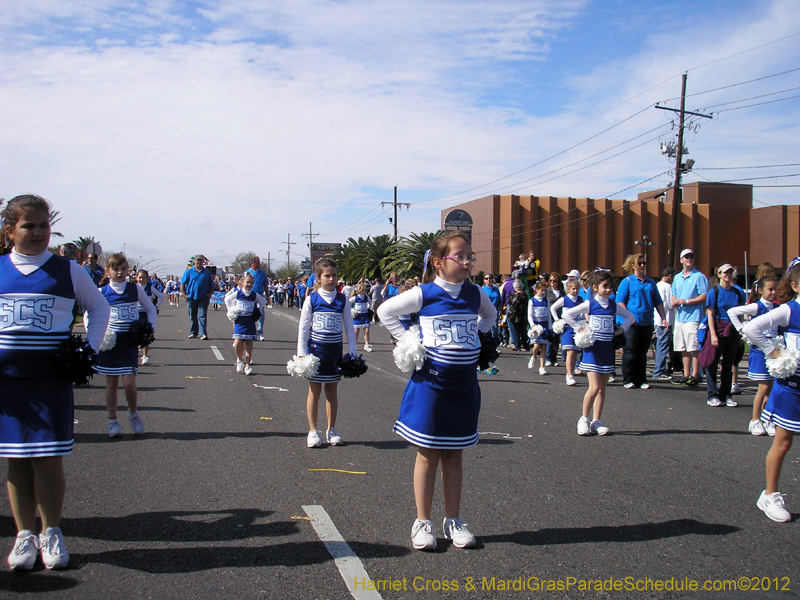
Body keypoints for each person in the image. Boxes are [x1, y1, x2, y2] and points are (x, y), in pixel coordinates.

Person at [1, 195, 110, 570]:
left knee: (48, 458)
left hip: (50, 379)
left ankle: (51, 531)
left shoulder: (68, 270)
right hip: (8, 383)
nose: (37, 232)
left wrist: (89, 350)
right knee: (16, 459)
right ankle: (23, 535)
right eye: (28, 225)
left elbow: (98, 307)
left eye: (43, 225)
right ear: (10, 230)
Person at [377, 231, 496, 551]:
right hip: (431, 387)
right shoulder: (425, 293)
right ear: (440, 262)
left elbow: (490, 316)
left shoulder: (476, 294)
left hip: (464, 387)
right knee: (428, 454)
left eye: (471, 255)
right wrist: (410, 341)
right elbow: (385, 311)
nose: (468, 261)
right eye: (461, 256)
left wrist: (479, 339)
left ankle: (454, 521)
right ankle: (423, 522)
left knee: (454, 455)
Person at [741, 264, 800, 522]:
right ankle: (770, 494)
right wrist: (775, 352)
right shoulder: (790, 310)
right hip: (792, 389)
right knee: (783, 442)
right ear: (796, 286)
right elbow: (751, 328)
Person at [563, 269, 634, 436]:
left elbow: (631, 317)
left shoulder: (613, 305)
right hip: (592, 351)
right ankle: (583, 419)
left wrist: (621, 330)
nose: (608, 289)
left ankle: (596, 421)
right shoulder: (590, 304)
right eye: (604, 286)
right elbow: (567, 314)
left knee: (602, 389)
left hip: (607, 351)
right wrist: (579, 328)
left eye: (610, 286)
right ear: (595, 287)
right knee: (594, 388)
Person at [94, 254, 157, 437]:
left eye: (123, 268)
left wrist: (149, 329)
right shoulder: (102, 292)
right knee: (111, 383)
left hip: (129, 342)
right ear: (108, 271)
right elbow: (90, 312)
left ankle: (133, 413)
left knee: (129, 383)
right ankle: (113, 421)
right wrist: (96, 334)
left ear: (128, 270)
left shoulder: (134, 289)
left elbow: (150, 308)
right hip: (110, 344)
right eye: (115, 269)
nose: (120, 272)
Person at [297, 258, 357, 448]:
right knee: (314, 391)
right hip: (316, 352)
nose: (331, 279)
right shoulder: (311, 299)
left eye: (334, 275)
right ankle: (313, 431)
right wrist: (301, 354)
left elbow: (349, 327)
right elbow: (303, 328)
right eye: (327, 276)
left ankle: (331, 429)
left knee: (332, 391)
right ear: (318, 277)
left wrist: (353, 353)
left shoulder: (342, 300)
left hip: (334, 352)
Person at [729, 276, 778, 435]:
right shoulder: (757, 307)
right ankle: (755, 420)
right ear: (760, 290)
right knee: (763, 387)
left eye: (775, 289)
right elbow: (732, 312)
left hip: (774, 352)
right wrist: (742, 330)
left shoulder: (778, 307)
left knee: (771, 388)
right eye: (770, 289)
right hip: (759, 352)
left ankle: (767, 419)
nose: (773, 292)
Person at [616, 254, 665, 390]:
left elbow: (658, 302)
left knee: (642, 353)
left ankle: (641, 379)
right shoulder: (627, 281)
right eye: (640, 263)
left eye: (644, 263)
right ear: (633, 266)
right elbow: (620, 301)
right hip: (631, 324)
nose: (643, 266)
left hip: (647, 322)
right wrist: (629, 316)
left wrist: (664, 318)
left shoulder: (650, 282)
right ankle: (628, 379)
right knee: (630, 351)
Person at [703, 263, 746, 407]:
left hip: (732, 330)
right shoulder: (714, 292)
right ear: (720, 275)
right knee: (712, 363)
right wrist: (713, 334)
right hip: (718, 327)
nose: (728, 275)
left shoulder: (738, 292)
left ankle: (726, 394)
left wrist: (741, 333)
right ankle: (712, 394)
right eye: (725, 273)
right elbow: (710, 314)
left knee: (728, 364)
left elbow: (740, 313)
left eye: (730, 272)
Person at [671, 249, 708, 388]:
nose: (689, 259)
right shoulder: (677, 277)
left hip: (693, 317)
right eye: (686, 257)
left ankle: (695, 375)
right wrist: (674, 301)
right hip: (680, 317)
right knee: (683, 347)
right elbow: (674, 294)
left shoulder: (699, 276)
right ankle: (686, 374)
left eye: (691, 256)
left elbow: (704, 296)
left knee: (694, 347)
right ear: (681, 260)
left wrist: (686, 301)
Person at [225, 272, 266, 376]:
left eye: (251, 283)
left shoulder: (254, 294)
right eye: (247, 282)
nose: (249, 284)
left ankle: (248, 365)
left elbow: (263, 302)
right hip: (239, 321)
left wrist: (257, 311)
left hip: (249, 321)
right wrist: (231, 310)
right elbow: (227, 299)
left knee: (248, 343)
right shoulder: (238, 293)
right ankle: (239, 360)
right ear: (242, 283)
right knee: (238, 343)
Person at [550, 279, 585, 385]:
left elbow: (583, 311)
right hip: (567, 328)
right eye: (573, 289)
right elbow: (553, 308)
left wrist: (583, 321)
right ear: (568, 289)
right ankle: (569, 375)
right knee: (570, 352)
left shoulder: (581, 299)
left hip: (578, 327)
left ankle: (571, 373)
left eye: (577, 289)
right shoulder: (564, 299)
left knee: (575, 352)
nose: (575, 291)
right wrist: (557, 319)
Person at [135, 269, 165, 366]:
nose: (141, 280)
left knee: (146, 336)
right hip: (135, 314)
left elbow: (161, 296)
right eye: (139, 277)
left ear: (147, 279)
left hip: (146, 314)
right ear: (136, 278)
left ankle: (144, 356)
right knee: (134, 336)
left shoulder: (149, 287)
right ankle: (134, 355)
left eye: (143, 278)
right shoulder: (133, 288)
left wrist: (156, 306)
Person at [180, 255, 214, 340]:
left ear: (203, 262)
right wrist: (184, 295)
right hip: (191, 298)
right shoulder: (188, 272)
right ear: (194, 261)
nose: (199, 262)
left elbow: (212, 285)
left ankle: (203, 333)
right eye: (197, 260)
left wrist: (209, 294)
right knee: (192, 316)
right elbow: (182, 285)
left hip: (203, 298)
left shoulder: (207, 272)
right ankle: (193, 332)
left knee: (202, 316)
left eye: (200, 260)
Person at [652, 268, 675, 380]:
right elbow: (671, 304)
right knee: (663, 346)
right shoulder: (668, 287)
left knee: (659, 344)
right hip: (667, 319)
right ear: (670, 276)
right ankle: (659, 371)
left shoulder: (657, 285)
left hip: (657, 319)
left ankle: (659, 368)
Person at [527, 282, 551, 375]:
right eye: (542, 290)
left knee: (544, 347)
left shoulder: (546, 301)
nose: (543, 292)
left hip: (544, 325)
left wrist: (550, 326)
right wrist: (532, 325)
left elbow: (548, 314)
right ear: (536, 290)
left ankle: (542, 367)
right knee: (536, 346)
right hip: (536, 326)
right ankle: (534, 356)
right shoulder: (532, 301)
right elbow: (529, 315)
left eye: (545, 290)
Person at [245, 257, 268, 339]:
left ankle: (260, 332)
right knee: (249, 313)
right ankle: (251, 332)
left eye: (259, 262)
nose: (259, 264)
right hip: (250, 294)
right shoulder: (247, 272)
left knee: (261, 314)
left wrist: (267, 296)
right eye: (257, 262)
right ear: (252, 263)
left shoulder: (262, 273)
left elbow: (265, 284)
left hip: (259, 294)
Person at [545, 272, 564, 367]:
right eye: (551, 281)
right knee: (550, 338)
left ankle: (554, 358)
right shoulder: (547, 292)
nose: (552, 283)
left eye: (554, 281)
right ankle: (548, 358)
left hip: (559, 317)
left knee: (557, 339)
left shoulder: (562, 292)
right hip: (550, 317)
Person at [349, 283, 373, 352]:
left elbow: (370, 303)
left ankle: (367, 345)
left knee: (367, 330)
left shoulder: (366, 297)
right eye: (364, 290)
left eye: (366, 289)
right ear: (360, 291)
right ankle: (354, 344)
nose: (366, 291)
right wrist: (352, 309)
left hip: (365, 315)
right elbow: (348, 302)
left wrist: (368, 308)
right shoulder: (355, 298)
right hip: (358, 316)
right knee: (356, 331)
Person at [506, 279, 528, 352]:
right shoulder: (525, 295)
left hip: (513, 316)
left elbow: (511, 303)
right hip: (523, 315)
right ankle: (526, 345)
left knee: (515, 331)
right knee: (523, 331)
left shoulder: (513, 295)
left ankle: (517, 345)